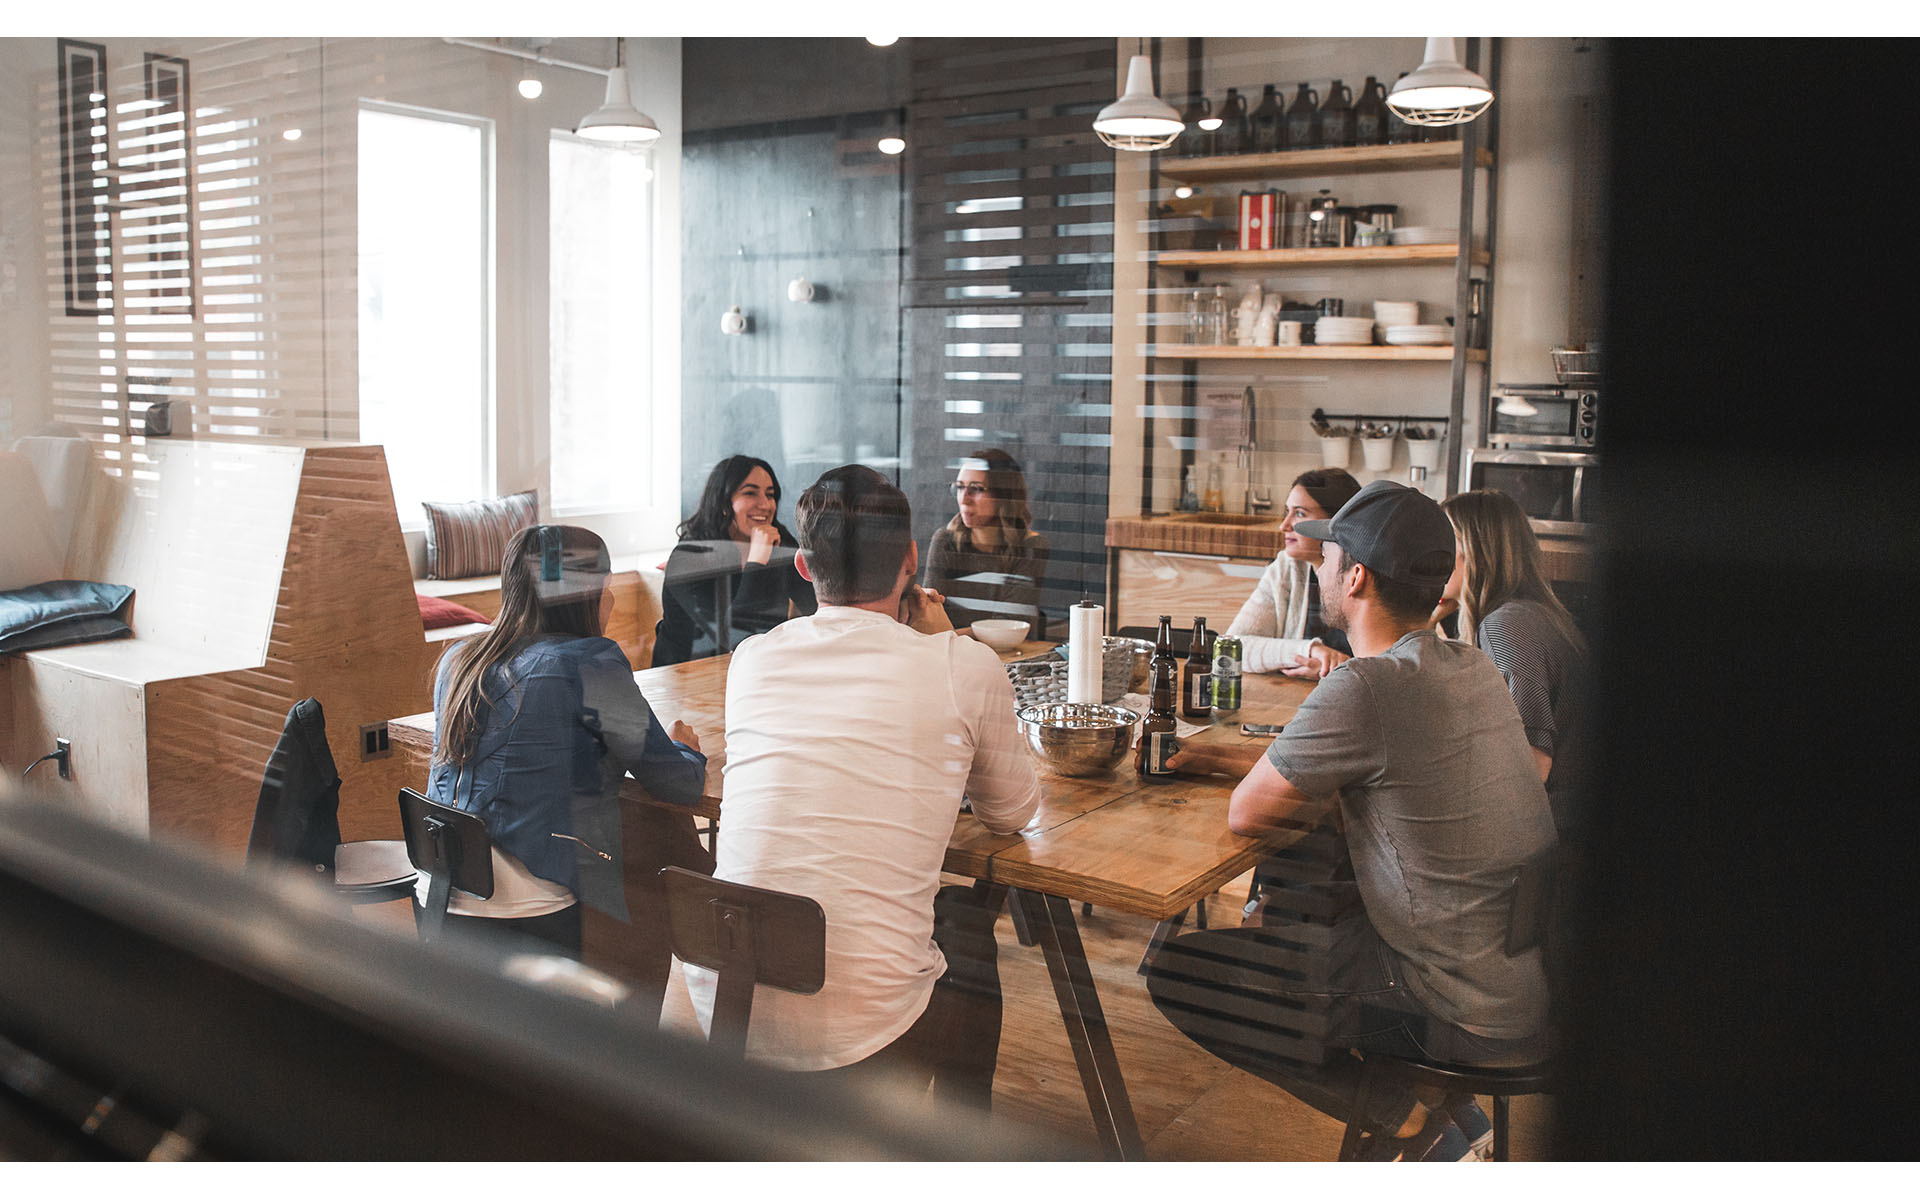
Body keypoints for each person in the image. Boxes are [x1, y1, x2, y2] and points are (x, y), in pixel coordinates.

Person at [1146, 481, 1557, 1161]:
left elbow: (1248, 813)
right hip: (1514, 979)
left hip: (1449, 1004)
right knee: (1309, 890)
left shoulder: (1366, 686)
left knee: (1183, 973)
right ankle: (1449, 1118)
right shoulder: (1469, 665)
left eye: (1330, 552)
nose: (1321, 564)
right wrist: (1211, 753)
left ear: (1357, 576)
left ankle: (1416, 1125)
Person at [685, 465, 1039, 1106]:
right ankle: (962, 1144)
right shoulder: (963, 664)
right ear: (911, 560)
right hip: (863, 1032)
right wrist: (942, 643)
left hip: (721, 1005)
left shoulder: (753, 660)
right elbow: (1012, 813)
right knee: (968, 938)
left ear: (801, 566)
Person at [427, 525, 708, 974]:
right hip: (529, 906)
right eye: (607, 586)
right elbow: (676, 783)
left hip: (443, 895)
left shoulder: (458, 661)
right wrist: (686, 748)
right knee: (657, 856)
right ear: (588, 594)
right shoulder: (588, 663)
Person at [1440, 488, 1589, 839]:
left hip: (1555, 836)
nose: (1431, 556)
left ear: (1473, 550)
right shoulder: (1529, 613)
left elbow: (1528, 769)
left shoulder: (1507, 626)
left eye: (1443, 543)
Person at [653, 455, 818, 666]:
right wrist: (758, 561)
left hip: (757, 668)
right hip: (686, 676)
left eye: (770, 495)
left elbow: (817, 605)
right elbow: (736, 638)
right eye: (750, 493)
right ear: (723, 503)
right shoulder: (688, 558)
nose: (766, 505)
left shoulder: (779, 541)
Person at [1224, 467, 1362, 680]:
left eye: (1299, 513)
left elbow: (1388, 665)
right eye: (1286, 511)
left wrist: (1333, 670)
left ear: (1335, 522)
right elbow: (1231, 647)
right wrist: (1312, 651)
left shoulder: (1367, 575)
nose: (1283, 525)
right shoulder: (1286, 567)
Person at [923, 448, 1050, 633]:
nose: (964, 499)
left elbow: (1011, 624)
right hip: (952, 652)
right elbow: (928, 613)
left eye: (976, 489)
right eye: (959, 487)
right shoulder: (946, 541)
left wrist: (948, 635)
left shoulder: (1031, 547)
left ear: (1003, 496)